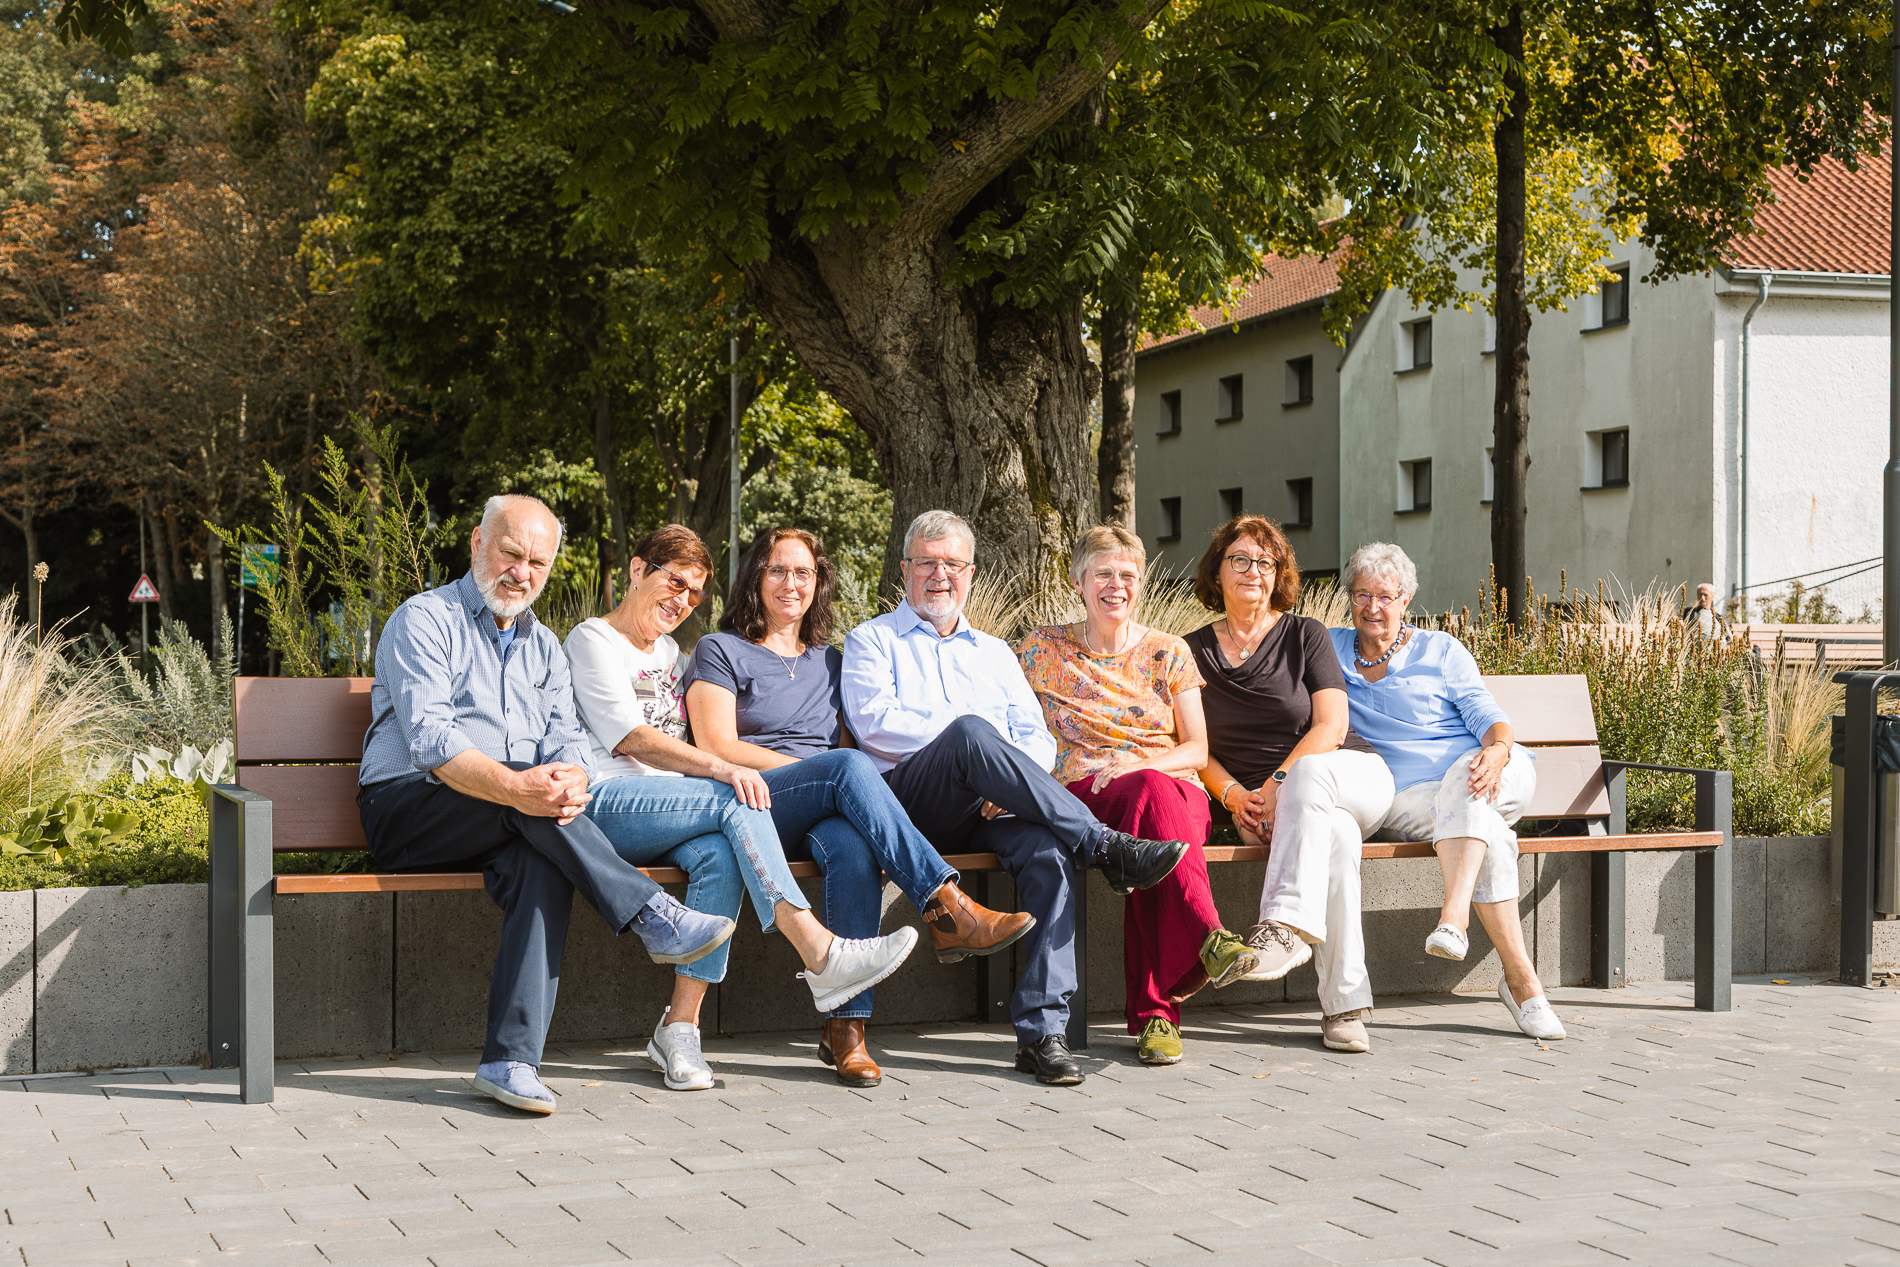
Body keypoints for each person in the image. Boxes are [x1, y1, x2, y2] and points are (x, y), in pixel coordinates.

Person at [357, 494, 737, 1115]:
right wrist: (522, 787)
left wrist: (568, 784)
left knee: (542, 859)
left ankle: (510, 1062)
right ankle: (651, 917)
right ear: (478, 544)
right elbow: (430, 739)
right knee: (525, 796)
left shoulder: (544, 648)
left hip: (508, 815)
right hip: (410, 807)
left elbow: (568, 746)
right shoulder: (425, 619)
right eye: (511, 553)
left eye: (538, 562)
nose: (522, 572)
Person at [841, 510, 1191, 1087]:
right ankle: (1105, 846)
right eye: (926, 562)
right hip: (907, 808)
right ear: (904, 569)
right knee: (972, 731)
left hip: (987, 812)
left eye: (952, 564)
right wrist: (973, 750)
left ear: (971, 573)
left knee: (1048, 853)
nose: (939, 575)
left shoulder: (995, 652)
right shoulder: (872, 640)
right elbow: (878, 726)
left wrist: (1002, 783)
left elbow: (1036, 736)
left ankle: (1041, 1035)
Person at [565, 524, 918, 1093]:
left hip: (678, 810)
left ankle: (678, 1029)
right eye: (672, 582)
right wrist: (724, 767)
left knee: (722, 858)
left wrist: (725, 773)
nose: (681, 600)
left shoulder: (673, 656)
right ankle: (818, 948)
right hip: (609, 802)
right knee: (738, 788)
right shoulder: (592, 639)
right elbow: (632, 739)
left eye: (694, 593)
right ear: (636, 571)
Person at [685, 527, 1034, 1086]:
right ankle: (946, 904)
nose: (790, 584)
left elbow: (851, 742)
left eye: (804, 573)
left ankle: (846, 1031)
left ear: (818, 583)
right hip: (750, 803)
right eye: (777, 570)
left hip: (821, 808)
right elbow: (715, 745)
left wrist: (831, 774)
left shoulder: (831, 660)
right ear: (755, 576)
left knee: (851, 849)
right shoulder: (721, 649)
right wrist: (814, 771)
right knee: (851, 769)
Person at [1016, 526, 1257, 1067]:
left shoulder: (1168, 652)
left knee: (1153, 825)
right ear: (1078, 581)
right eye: (1103, 573)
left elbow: (1196, 749)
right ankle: (1171, 994)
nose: (1115, 585)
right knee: (1152, 821)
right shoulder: (1042, 648)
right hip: (1085, 796)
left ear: (1141, 584)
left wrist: (1144, 763)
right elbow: (1010, 726)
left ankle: (1161, 1010)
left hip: (1171, 785)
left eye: (1128, 575)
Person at [1332, 541, 1566, 1041]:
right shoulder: (1328, 650)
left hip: (1492, 773)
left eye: (1385, 596)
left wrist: (1499, 751)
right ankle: (1522, 982)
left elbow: (1487, 717)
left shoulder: (1440, 649)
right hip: (1408, 795)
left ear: (1406, 598)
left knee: (1468, 780)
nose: (1373, 607)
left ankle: (1454, 916)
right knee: (1491, 836)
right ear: (1349, 597)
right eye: (1361, 595)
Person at [1185, 515, 1393, 1054]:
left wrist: (1279, 782)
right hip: (1267, 810)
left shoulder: (1306, 635)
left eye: (1265, 561)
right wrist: (1235, 798)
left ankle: (1279, 925)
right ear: (1218, 570)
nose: (1253, 570)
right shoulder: (1189, 652)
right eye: (1240, 559)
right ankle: (1344, 1007)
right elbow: (1197, 746)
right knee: (1338, 842)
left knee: (1310, 775)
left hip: (1349, 775)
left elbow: (1332, 726)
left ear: (1279, 574)